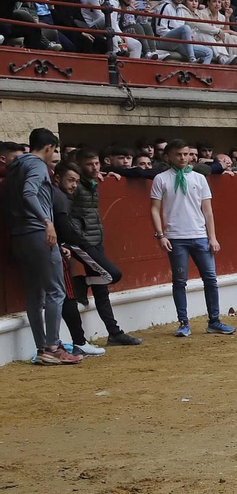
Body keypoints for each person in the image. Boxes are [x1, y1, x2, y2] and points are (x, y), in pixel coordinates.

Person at [4, 130, 78, 364]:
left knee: (35, 294)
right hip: (38, 232)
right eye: (54, 150)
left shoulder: (15, 167)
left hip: (19, 234)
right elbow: (29, 193)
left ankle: (42, 348)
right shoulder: (36, 165)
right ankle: (53, 347)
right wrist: (46, 222)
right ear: (48, 147)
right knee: (55, 291)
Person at [149, 140, 235, 337]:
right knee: (180, 281)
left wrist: (212, 237)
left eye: (186, 154)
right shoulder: (161, 179)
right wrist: (160, 235)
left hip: (199, 235)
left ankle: (214, 321)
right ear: (168, 156)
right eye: (178, 154)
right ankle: (184, 322)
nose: (183, 158)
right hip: (175, 236)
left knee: (210, 279)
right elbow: (154, 209)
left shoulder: (199, 178)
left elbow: (208, 211)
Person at [65, 148, 141, 345]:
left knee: (102, 288)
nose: (95, 167)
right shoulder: (75, 186)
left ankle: (114, 333)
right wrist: (78, 237)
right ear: (79, 166)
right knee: (112, 274)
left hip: (94, 239)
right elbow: (66, 214)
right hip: (82, 241)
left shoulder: (92, 182)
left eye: (97, 163)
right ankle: (81, 282)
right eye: (89, 164)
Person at [46, 163, 107, 357]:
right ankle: (77, 341)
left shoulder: (52, 193)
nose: (74, 185)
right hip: (55, 250)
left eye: (76, 181)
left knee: (50, 296)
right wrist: (65, 243)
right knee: (67, 295)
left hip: (43, 247)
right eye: (70, 180)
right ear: (57, 178)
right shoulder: (59, 197)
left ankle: (51, 344)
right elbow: (65, 230)